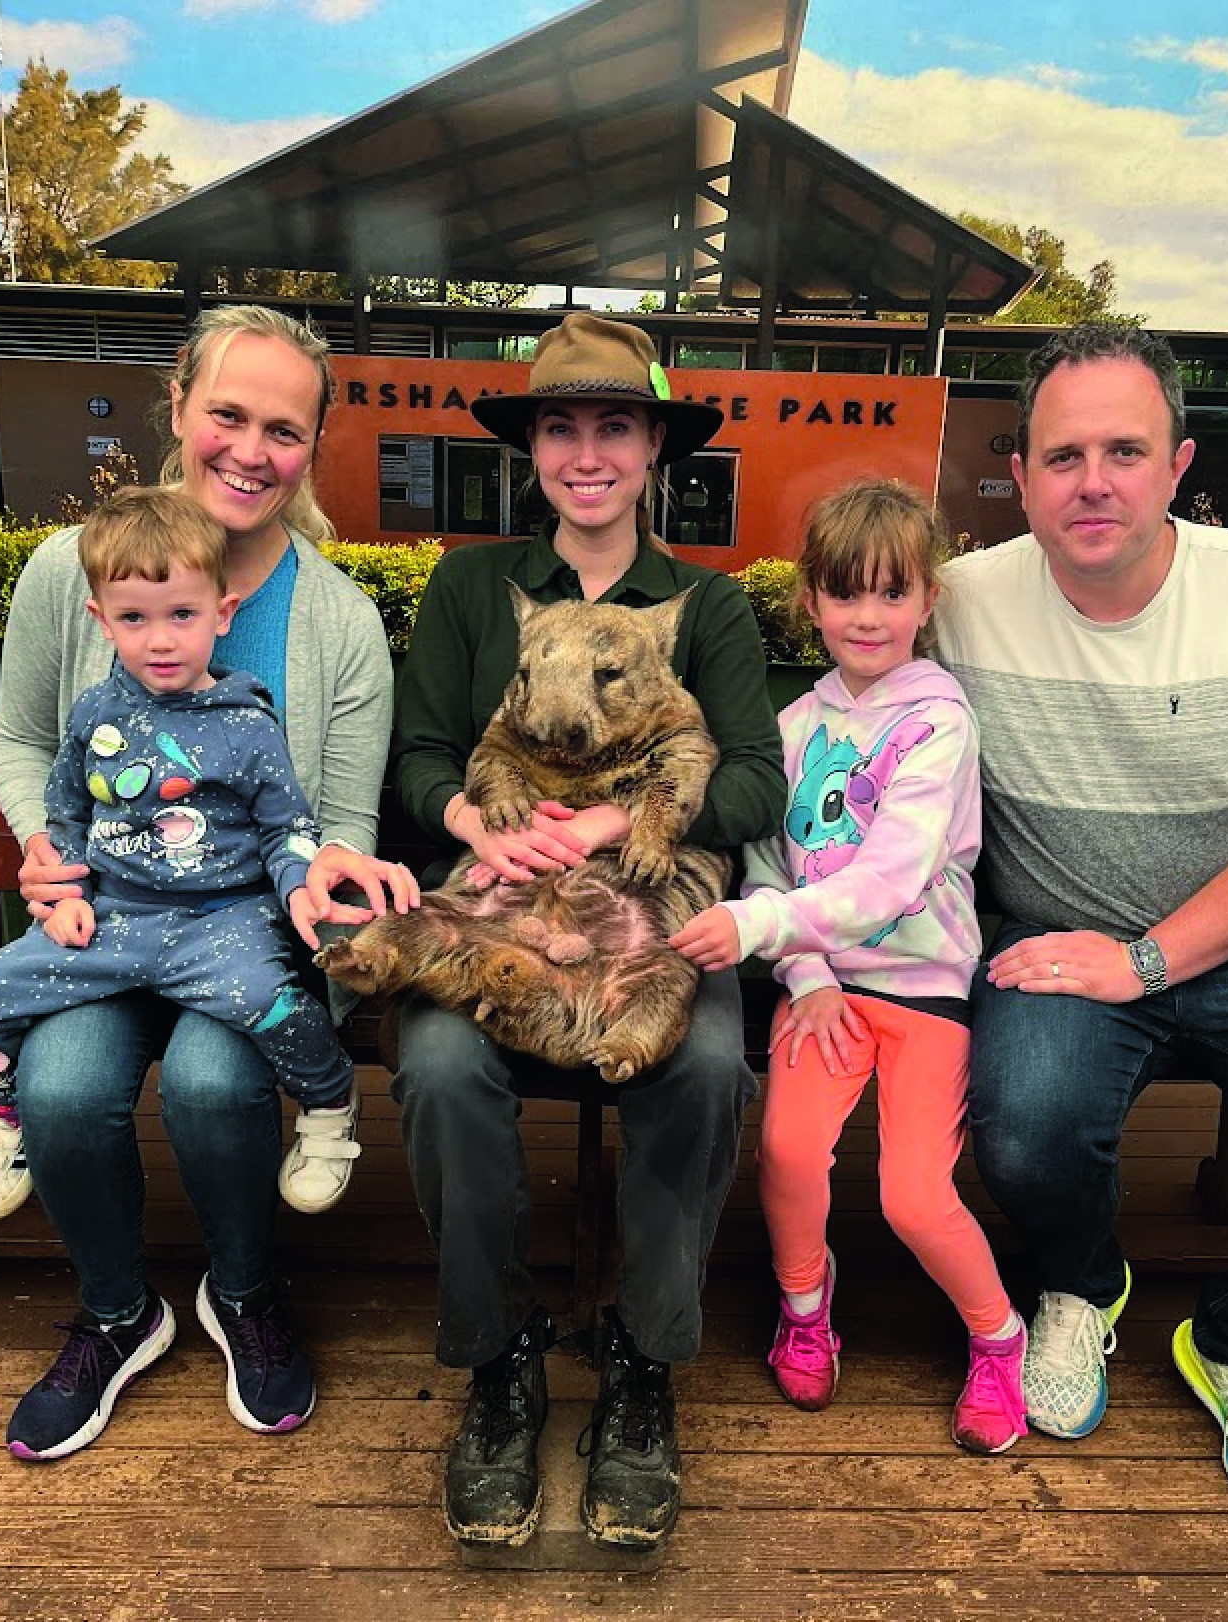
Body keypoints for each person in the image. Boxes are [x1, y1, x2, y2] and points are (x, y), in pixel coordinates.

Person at [390, 311, 785, 1550]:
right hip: (504, 896)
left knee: (705, 1062)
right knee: (438, 1062)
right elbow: (418, 756)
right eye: (561, 427)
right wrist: (474, 818)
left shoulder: (704, 606)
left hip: (651, 909)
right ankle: (498, 1358)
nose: (587, 453)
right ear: (533, 448)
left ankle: (642, 1360)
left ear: (654, 444)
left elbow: (754, 778)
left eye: (615, 425)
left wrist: (619, 818)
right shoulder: (473, 589)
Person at [0, 304, 405, 1462]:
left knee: (217, 1084)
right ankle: (117, 1309)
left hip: (247, 940)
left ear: (311, 446)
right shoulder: (66, 570)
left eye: (284, 429)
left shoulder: (339, 621)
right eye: (228, 413)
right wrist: (44, 843)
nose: (250, 450)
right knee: (63, 1086)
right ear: (177, 407)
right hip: (106, 923)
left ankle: (244, 1288)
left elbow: (343, 821)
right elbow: (21, 739)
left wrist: (328, 870)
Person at [932, 322, 1228, 1522]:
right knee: (1023, 1124)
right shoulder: (961, 600)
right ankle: (1078, 1283)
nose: (1091, 481)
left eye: (1124, 451)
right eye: (1062, 455)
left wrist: (1146, 958)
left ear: (1178, 463)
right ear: (1020, 474)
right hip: (1056, 940)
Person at [671, 479, 1027, 1454]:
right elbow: (767, 858)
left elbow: (891, 875)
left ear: (926, 599)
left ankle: (997, 1334)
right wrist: (807, 975)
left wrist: (757, 928)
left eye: (891, 592)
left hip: (922, 988)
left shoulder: (939, 720)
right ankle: (804, 1305)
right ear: (810, 599)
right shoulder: (792, 726)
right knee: (787, 1152)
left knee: (914, 1195)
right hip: (823, 986)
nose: (868, 616)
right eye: (845, 592)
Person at [0, 485, 415, 1225]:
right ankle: (8, 1114)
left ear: (221, 614)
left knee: (275, 1005)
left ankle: (329, 1102)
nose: (160, 641)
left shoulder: (247, 721)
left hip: (221, 921)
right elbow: (66, 809)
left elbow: (287, 825)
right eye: (134, 619)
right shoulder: (94, 712)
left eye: (181, 616)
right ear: (100, 619)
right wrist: (64, 887)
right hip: (115, 919)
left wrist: (299, 882)